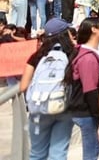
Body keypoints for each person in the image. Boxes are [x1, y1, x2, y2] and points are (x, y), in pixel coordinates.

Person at [20, 18, 76, 160]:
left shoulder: (37, 56)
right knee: (58, 154)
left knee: (37, 153)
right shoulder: (73, 54)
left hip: (38, 109)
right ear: (64, 34)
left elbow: (23, 86)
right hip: (63, 108)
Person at [71, 17, 99, 160]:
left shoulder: (84, 52)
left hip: (83, 110)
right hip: (86, 112)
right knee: (92, 152)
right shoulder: (88, 58)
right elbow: (90, 90)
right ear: (93, 29)